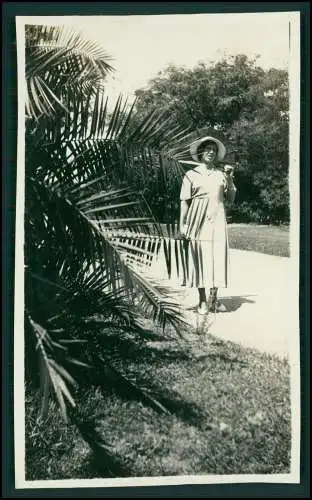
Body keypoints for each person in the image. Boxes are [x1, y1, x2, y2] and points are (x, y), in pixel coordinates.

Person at [179, 136, 237, 314]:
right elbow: (184, 202)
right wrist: (182, 224)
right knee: (200, 258)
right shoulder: (191, 174)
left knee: (218, 257)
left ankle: (214, 299)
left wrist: (229, 178)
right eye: (207, 148)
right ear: (200, 152)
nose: (211, 151)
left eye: (213, 149)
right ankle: (203, 301)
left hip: (217, 219)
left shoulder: (221, 174)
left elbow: (231, 199)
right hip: (197, 220)